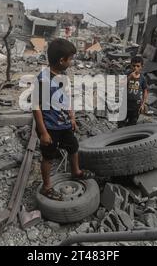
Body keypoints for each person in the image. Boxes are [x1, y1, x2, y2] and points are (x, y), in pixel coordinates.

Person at [32, 38, 95, 201]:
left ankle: (76, 172)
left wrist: (72, 117)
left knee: (73, 147)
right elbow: (36, 107)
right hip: (50, 128)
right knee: (48, 157)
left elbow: (66, 97)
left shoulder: (63, 75)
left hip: (64, 125)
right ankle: (46, 187)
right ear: (61, 60)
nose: (72, 62)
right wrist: (43, 132)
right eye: (71, 59)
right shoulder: (43, 80)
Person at [118, 56, 149, 128]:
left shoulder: (142, 78)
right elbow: (121, 84)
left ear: (142, 67)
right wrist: (130, 77)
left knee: (132, 124)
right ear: (131, 65)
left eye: (138, 66)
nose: (135, 68)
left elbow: (145, 90)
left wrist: (143, 104)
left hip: (136, 105)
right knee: (121, 122)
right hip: (125, 103)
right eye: (134, 66)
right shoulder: (127, 73)